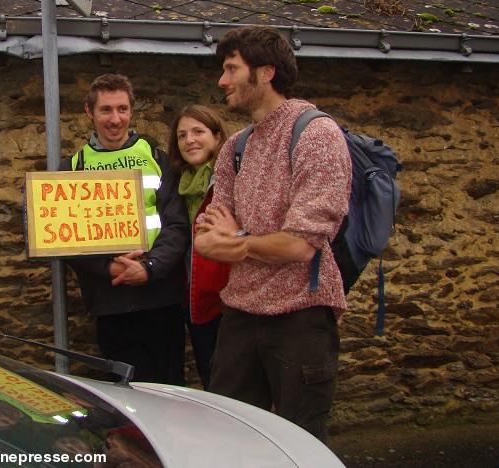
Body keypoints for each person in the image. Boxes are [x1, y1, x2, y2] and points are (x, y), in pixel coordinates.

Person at [195, 26, 351, 441]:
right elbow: (205, 238)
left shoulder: (316, 134)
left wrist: (236, 241)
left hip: (300, 317)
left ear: (265, 73)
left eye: (231, 69)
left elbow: (300, 245)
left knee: (298, 445)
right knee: (231, 440)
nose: (221, 81)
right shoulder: (235, 147)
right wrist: (252, 242)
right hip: (239, 317)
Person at [60, 73, 189, 385]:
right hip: (111, 301)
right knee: (125, 398)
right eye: (106, 110)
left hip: (160, 298)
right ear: (89, 113)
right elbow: (62, 237)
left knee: (170, 392)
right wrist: (108, 266)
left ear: (132, 112)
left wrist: (149, 267)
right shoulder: (73, 168)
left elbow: (176, 225)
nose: (115, 119)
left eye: (122, 109)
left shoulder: (157, 158)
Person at [167, 104, 229, 390]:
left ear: (217, 137)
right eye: (181, 136)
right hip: (195, 303)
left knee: (233, 388)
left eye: (198, 132)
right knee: (211, 380)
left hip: (227, 304)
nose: (189, 140)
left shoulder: (229, 181)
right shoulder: (180, 186)